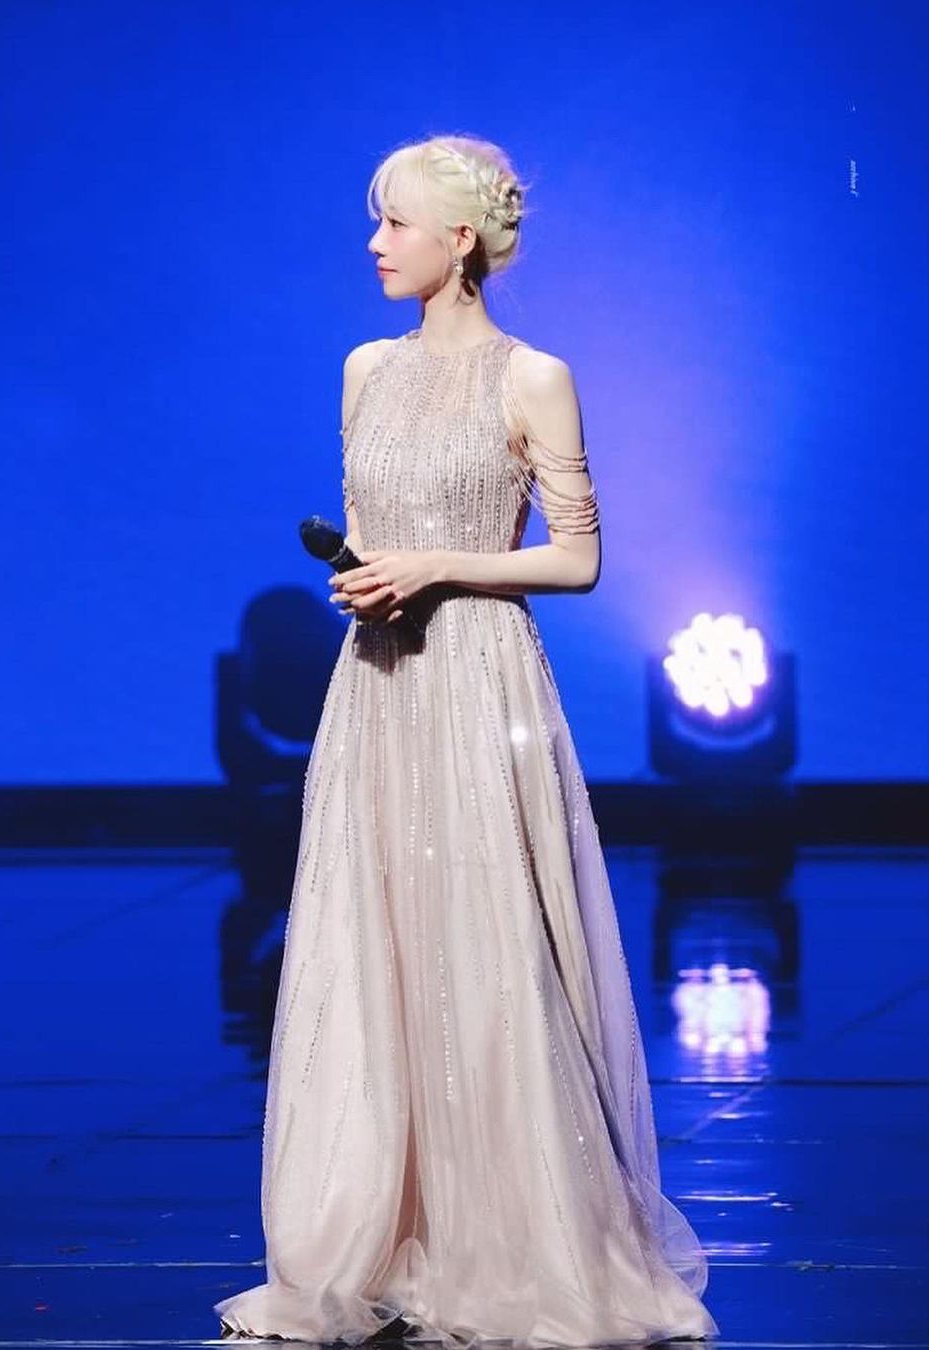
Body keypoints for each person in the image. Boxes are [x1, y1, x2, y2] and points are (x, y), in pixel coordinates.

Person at [214, 133, 720, 1347]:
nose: (374, 243)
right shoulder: (364, 370)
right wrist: (367, 574)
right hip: (379, 686)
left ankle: (513, 1240)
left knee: (485, 947)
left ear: (460, 239)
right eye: (375, 221)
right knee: (376, 944)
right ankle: (385, 1235)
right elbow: (374, 525)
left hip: (480, 679)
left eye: (394, 223)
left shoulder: (533, 376)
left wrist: (438, 565)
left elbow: (578, 559)